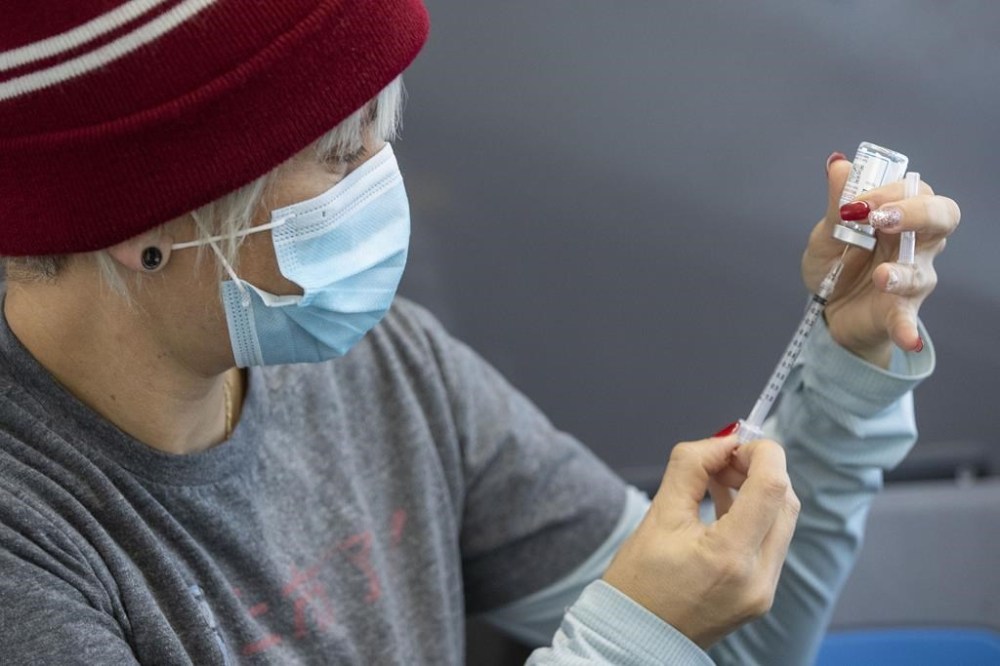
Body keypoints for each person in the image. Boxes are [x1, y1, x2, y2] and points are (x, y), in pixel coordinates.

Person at [0, 1, 960, 664]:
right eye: (339, 158)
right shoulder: (30, 554)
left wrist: (847, 362)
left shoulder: (384, 372)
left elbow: (731, 641)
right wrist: (629, 639)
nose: (386, 186)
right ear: (143, 225)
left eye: (384, 137)